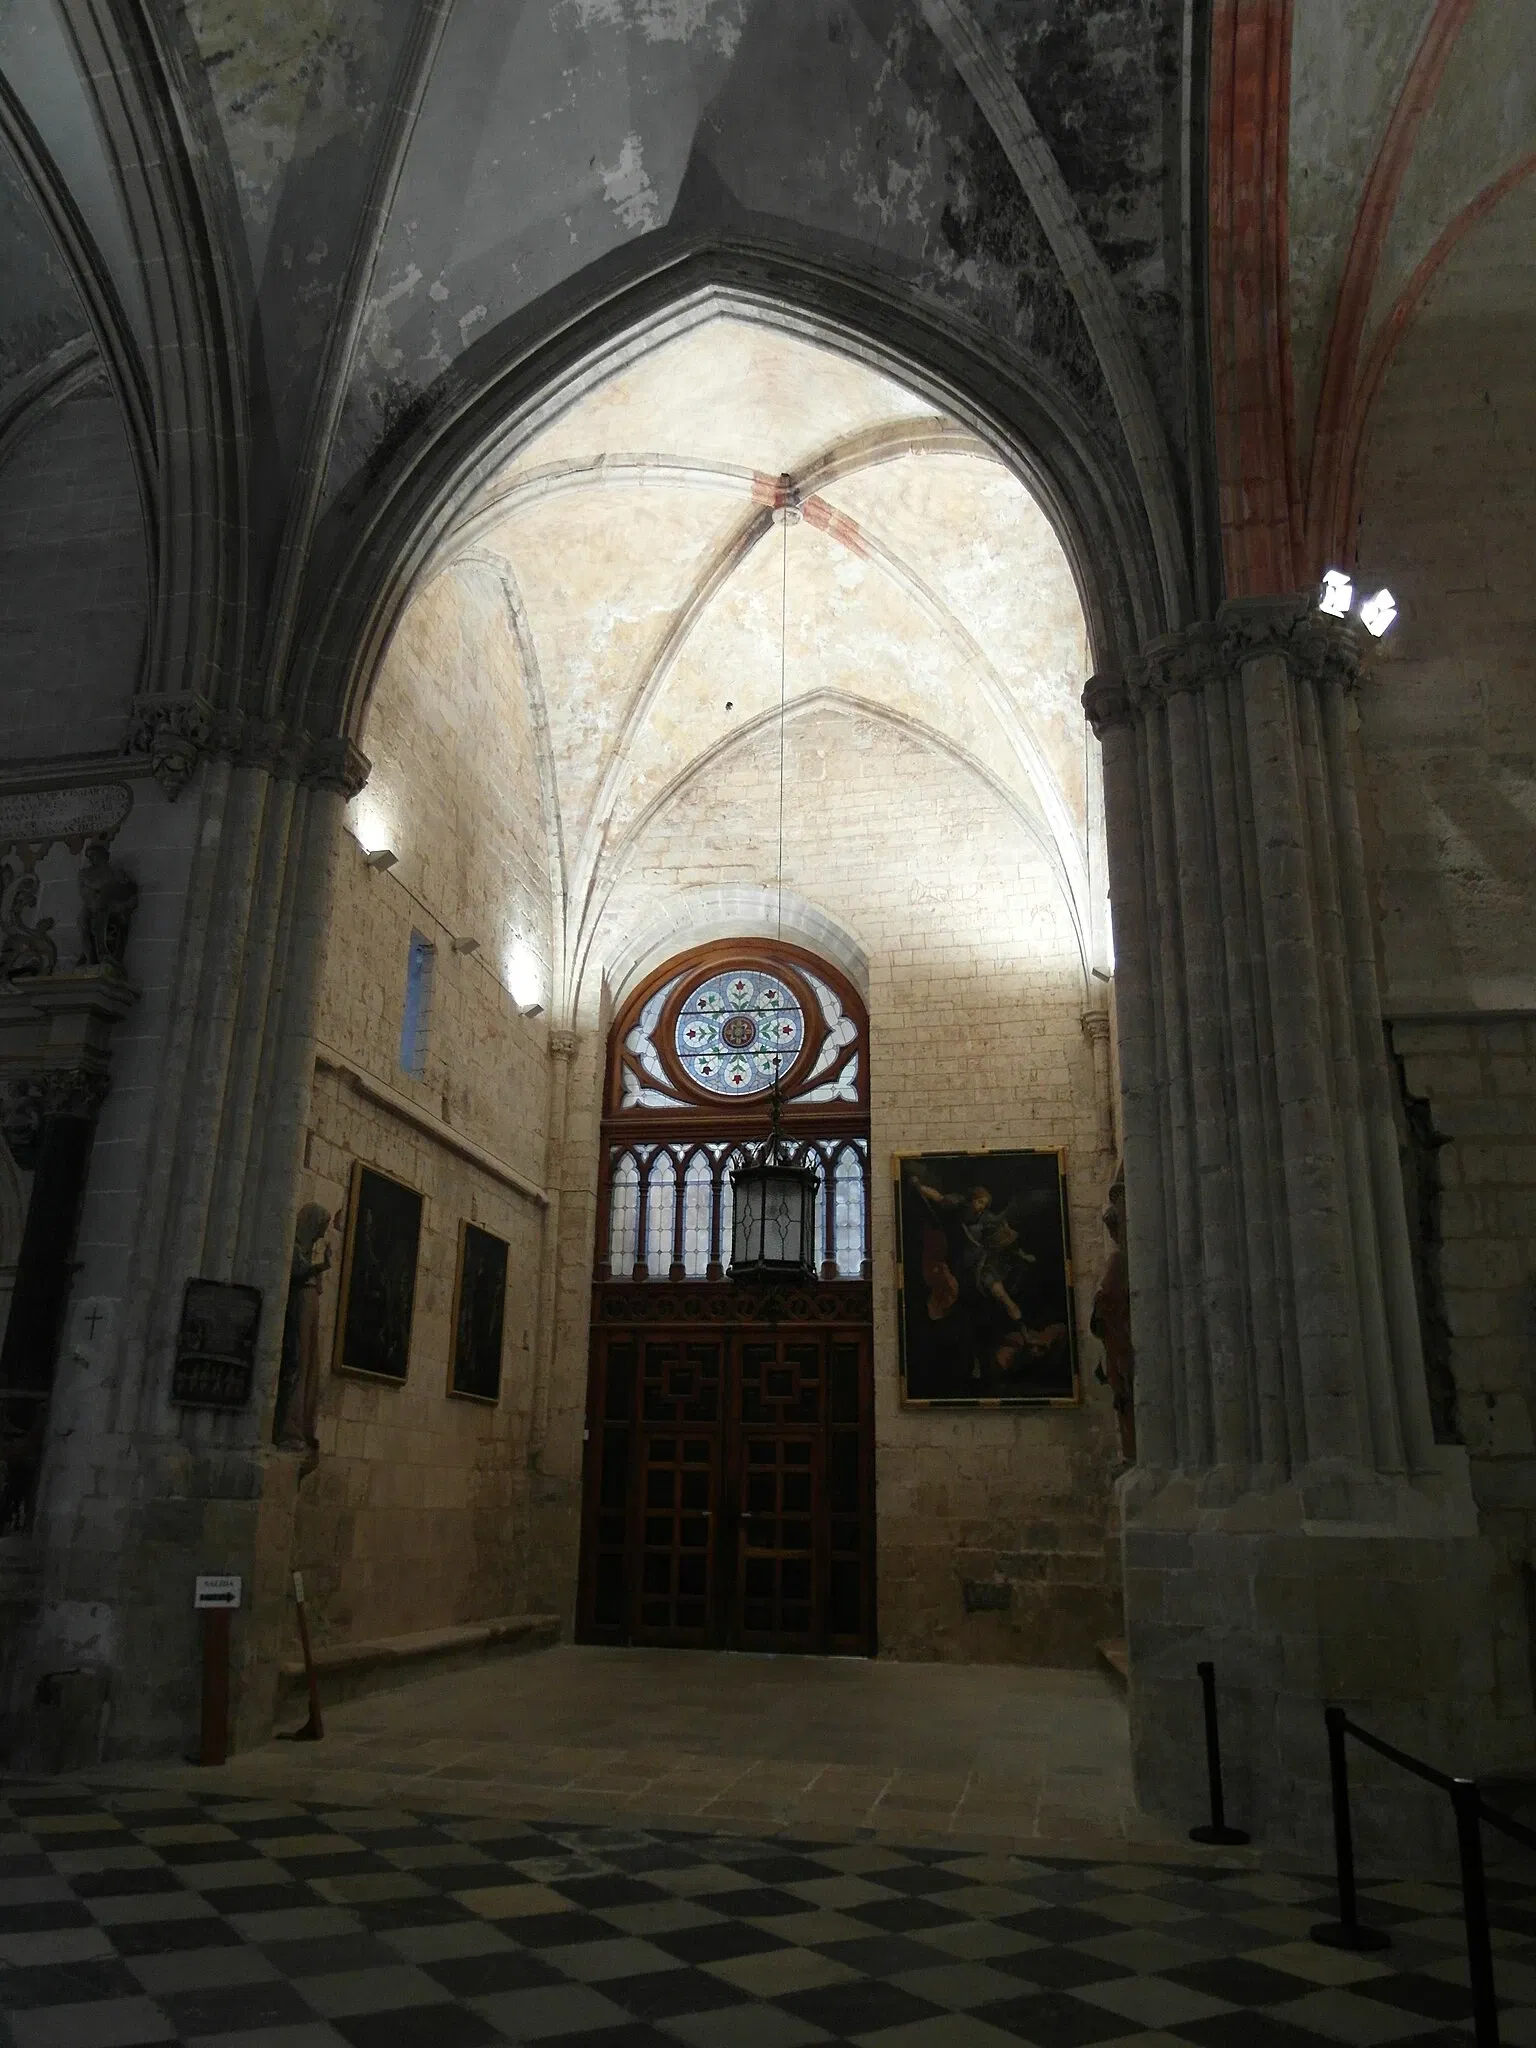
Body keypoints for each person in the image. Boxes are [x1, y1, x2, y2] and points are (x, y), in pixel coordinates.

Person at [273, 1204, 332, 1472]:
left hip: (308, 1312)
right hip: (300, 1311)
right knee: (297, 1364)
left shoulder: (305, 1252)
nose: (322, 1233)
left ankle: (302, 1429)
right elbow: (296, 1271)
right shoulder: (294, 1249)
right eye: (320, 1227)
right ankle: (290, 1430)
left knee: (308, 1369)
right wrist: (320, 1266)